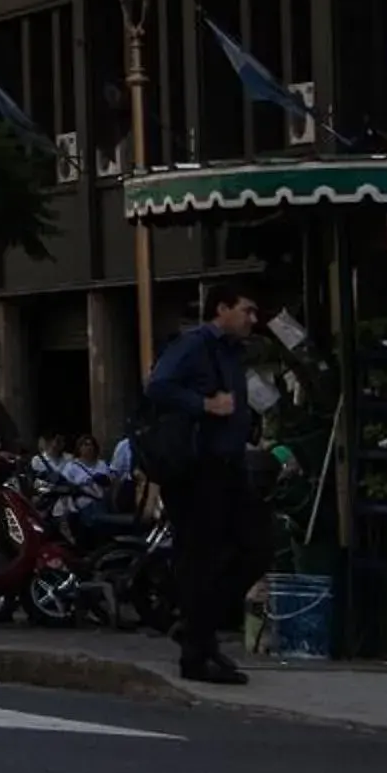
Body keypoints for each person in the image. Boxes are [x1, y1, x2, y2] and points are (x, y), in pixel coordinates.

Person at [144, 283, 262, 685]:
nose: (252, 319)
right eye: (246, 309)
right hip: (197, 469)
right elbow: (158, 385)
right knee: (201, 559)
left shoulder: (233, 352)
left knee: (253, 548)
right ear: (222, 309)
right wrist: (205, 405)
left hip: (229, 465)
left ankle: (197, 627)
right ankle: (197, 652)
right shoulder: (194, 345)